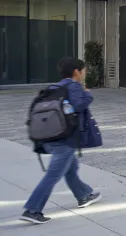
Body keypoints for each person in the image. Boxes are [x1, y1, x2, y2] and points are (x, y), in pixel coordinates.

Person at [22, 58, 101, 224]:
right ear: (76, 72)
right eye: (83, 70)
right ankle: (32, 210)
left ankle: (84, 195)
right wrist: (87, 94)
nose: (84, 73)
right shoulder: (73, 86)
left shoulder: (54, 87)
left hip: (49, 136)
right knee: (53, 175)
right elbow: (79, 105)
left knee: (71, 169)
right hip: (64, 139)